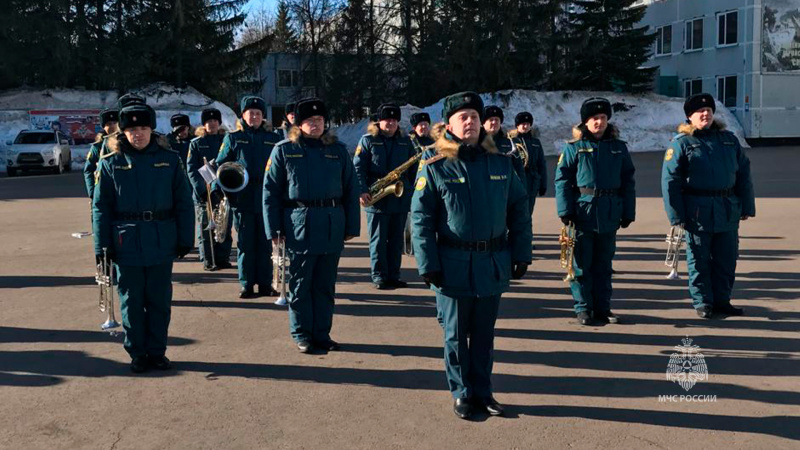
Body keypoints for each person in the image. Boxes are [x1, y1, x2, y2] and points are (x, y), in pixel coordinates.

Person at [412, 92, 531, 419]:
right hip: (452, 265)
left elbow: (519, 207)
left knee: (483, 335)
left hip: (491, 262)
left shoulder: (500, 161)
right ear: (448, 124)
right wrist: (428, 264)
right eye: (462, 117)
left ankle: (483, 391)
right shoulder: (434, 164)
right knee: (454, 336)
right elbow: (420, 218)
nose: (470, 122)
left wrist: (521, 252)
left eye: (474, 117)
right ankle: (462, 393)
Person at [92, 103, 194, 373]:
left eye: (143, 128)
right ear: (123, 133)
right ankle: (137, 352)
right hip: (126, 242)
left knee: (159, 300)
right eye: (132, 129)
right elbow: (101, 207)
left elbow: (184, 202)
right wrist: (102, 246)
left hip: (162, 239)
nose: (138, 134)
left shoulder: (169, 159)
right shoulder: (111, 163)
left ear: (152, 130)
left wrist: (186, 238)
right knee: (132, 300)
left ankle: (157, 351)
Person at [263, 97, 360, 353]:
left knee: (325, 285)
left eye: (319, 120)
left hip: (331, 224)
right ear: (299, 123)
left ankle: (322, 333)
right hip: (299, 224)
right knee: (300, 284)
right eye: (309, 120)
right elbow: (270, 192)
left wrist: (352, 226)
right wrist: (273, 229)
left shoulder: (337, 150)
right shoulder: (284, 150)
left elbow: (351, 189)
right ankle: (302, 333)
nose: (315, 124)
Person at [662, 93, 755, 319]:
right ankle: (703, 302)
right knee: (699, 260)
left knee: (726, 259)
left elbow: (744, 174)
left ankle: (722, 301)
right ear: (689, 117)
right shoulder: (682, 143)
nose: (705, 114)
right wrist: (676, 215)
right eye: (700, 112)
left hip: (727, 208)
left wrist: (746, 206)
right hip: (697, 211)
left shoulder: (728, 140)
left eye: (709, 111)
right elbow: (670, 181)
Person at [554, 97, 636, 326]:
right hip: (583, 212)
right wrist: (565, 210)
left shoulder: (618, 148)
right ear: (585, 122)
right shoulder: (574, 148)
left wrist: (628, 211)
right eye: (594, 119)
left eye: (602, 118)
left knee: (604, 265)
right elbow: (562, 180)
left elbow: (628, 181)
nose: (599, 122)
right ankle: (583, 308)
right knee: (581, 264)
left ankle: (603, 308)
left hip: (609, 212)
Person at [216, 96, 282, 298]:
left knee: (265, 243)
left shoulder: (273, 137)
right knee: (245, 244)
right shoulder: (233, 138)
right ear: (243, 115)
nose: (254, 116)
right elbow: (221, 165)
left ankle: (265, 283)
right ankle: (246, 284)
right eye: (250, 113)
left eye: (258, 113)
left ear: (263, 117)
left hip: (266, 198)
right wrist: (221, 189)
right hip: (242, 198)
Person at [353, 103, 417, 290]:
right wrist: (362, 190)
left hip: (399, 197)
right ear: (379, 121)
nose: (390, 123)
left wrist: (413, 192)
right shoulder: (368, 140)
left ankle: (394, 275)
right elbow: (359, 168)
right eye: (386, 120)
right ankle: (380, 276)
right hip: (377, 197)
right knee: (379, 240)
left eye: (394, 120)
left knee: (397, 240)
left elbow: (413, 168)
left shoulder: (406, 141)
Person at [186, 108, 233, 271]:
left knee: (224, 225)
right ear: (203, 124)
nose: (212, 124)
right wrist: (201, 190)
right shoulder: (196, 143)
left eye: (214, 121)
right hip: (204, 193)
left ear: (219, 123)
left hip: (223, 191)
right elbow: (191, 169)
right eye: (208, 121)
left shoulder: (227, 140)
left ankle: (223, 258)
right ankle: (208, 259)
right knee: (207, 228)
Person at [508, 112, 547, 222]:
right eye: (522, 124)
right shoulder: (511, 141)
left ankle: (525, 233)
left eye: (527, 124)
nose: (525, 126)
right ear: (517, 125)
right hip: (517, 180)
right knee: (514, 209)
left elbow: (541, 164)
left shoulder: (535, 142)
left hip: (532, 181)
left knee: (528, 211)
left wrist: (543, 183)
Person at [483, 105, 525, 184]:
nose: (494, 122)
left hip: (504, 190)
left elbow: (519, 170)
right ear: (483, 123)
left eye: (497, 120)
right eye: (491, 120)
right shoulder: (476, 143)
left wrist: (523, 191)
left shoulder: (509, 144)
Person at [83, 109, 119, 200]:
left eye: (115, 122)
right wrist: (92, 193)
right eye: (108, 124)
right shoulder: (98, 146)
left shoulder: (126, 143)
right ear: (103, 127)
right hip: (103, 193)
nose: (112, 126)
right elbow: (88, 170)